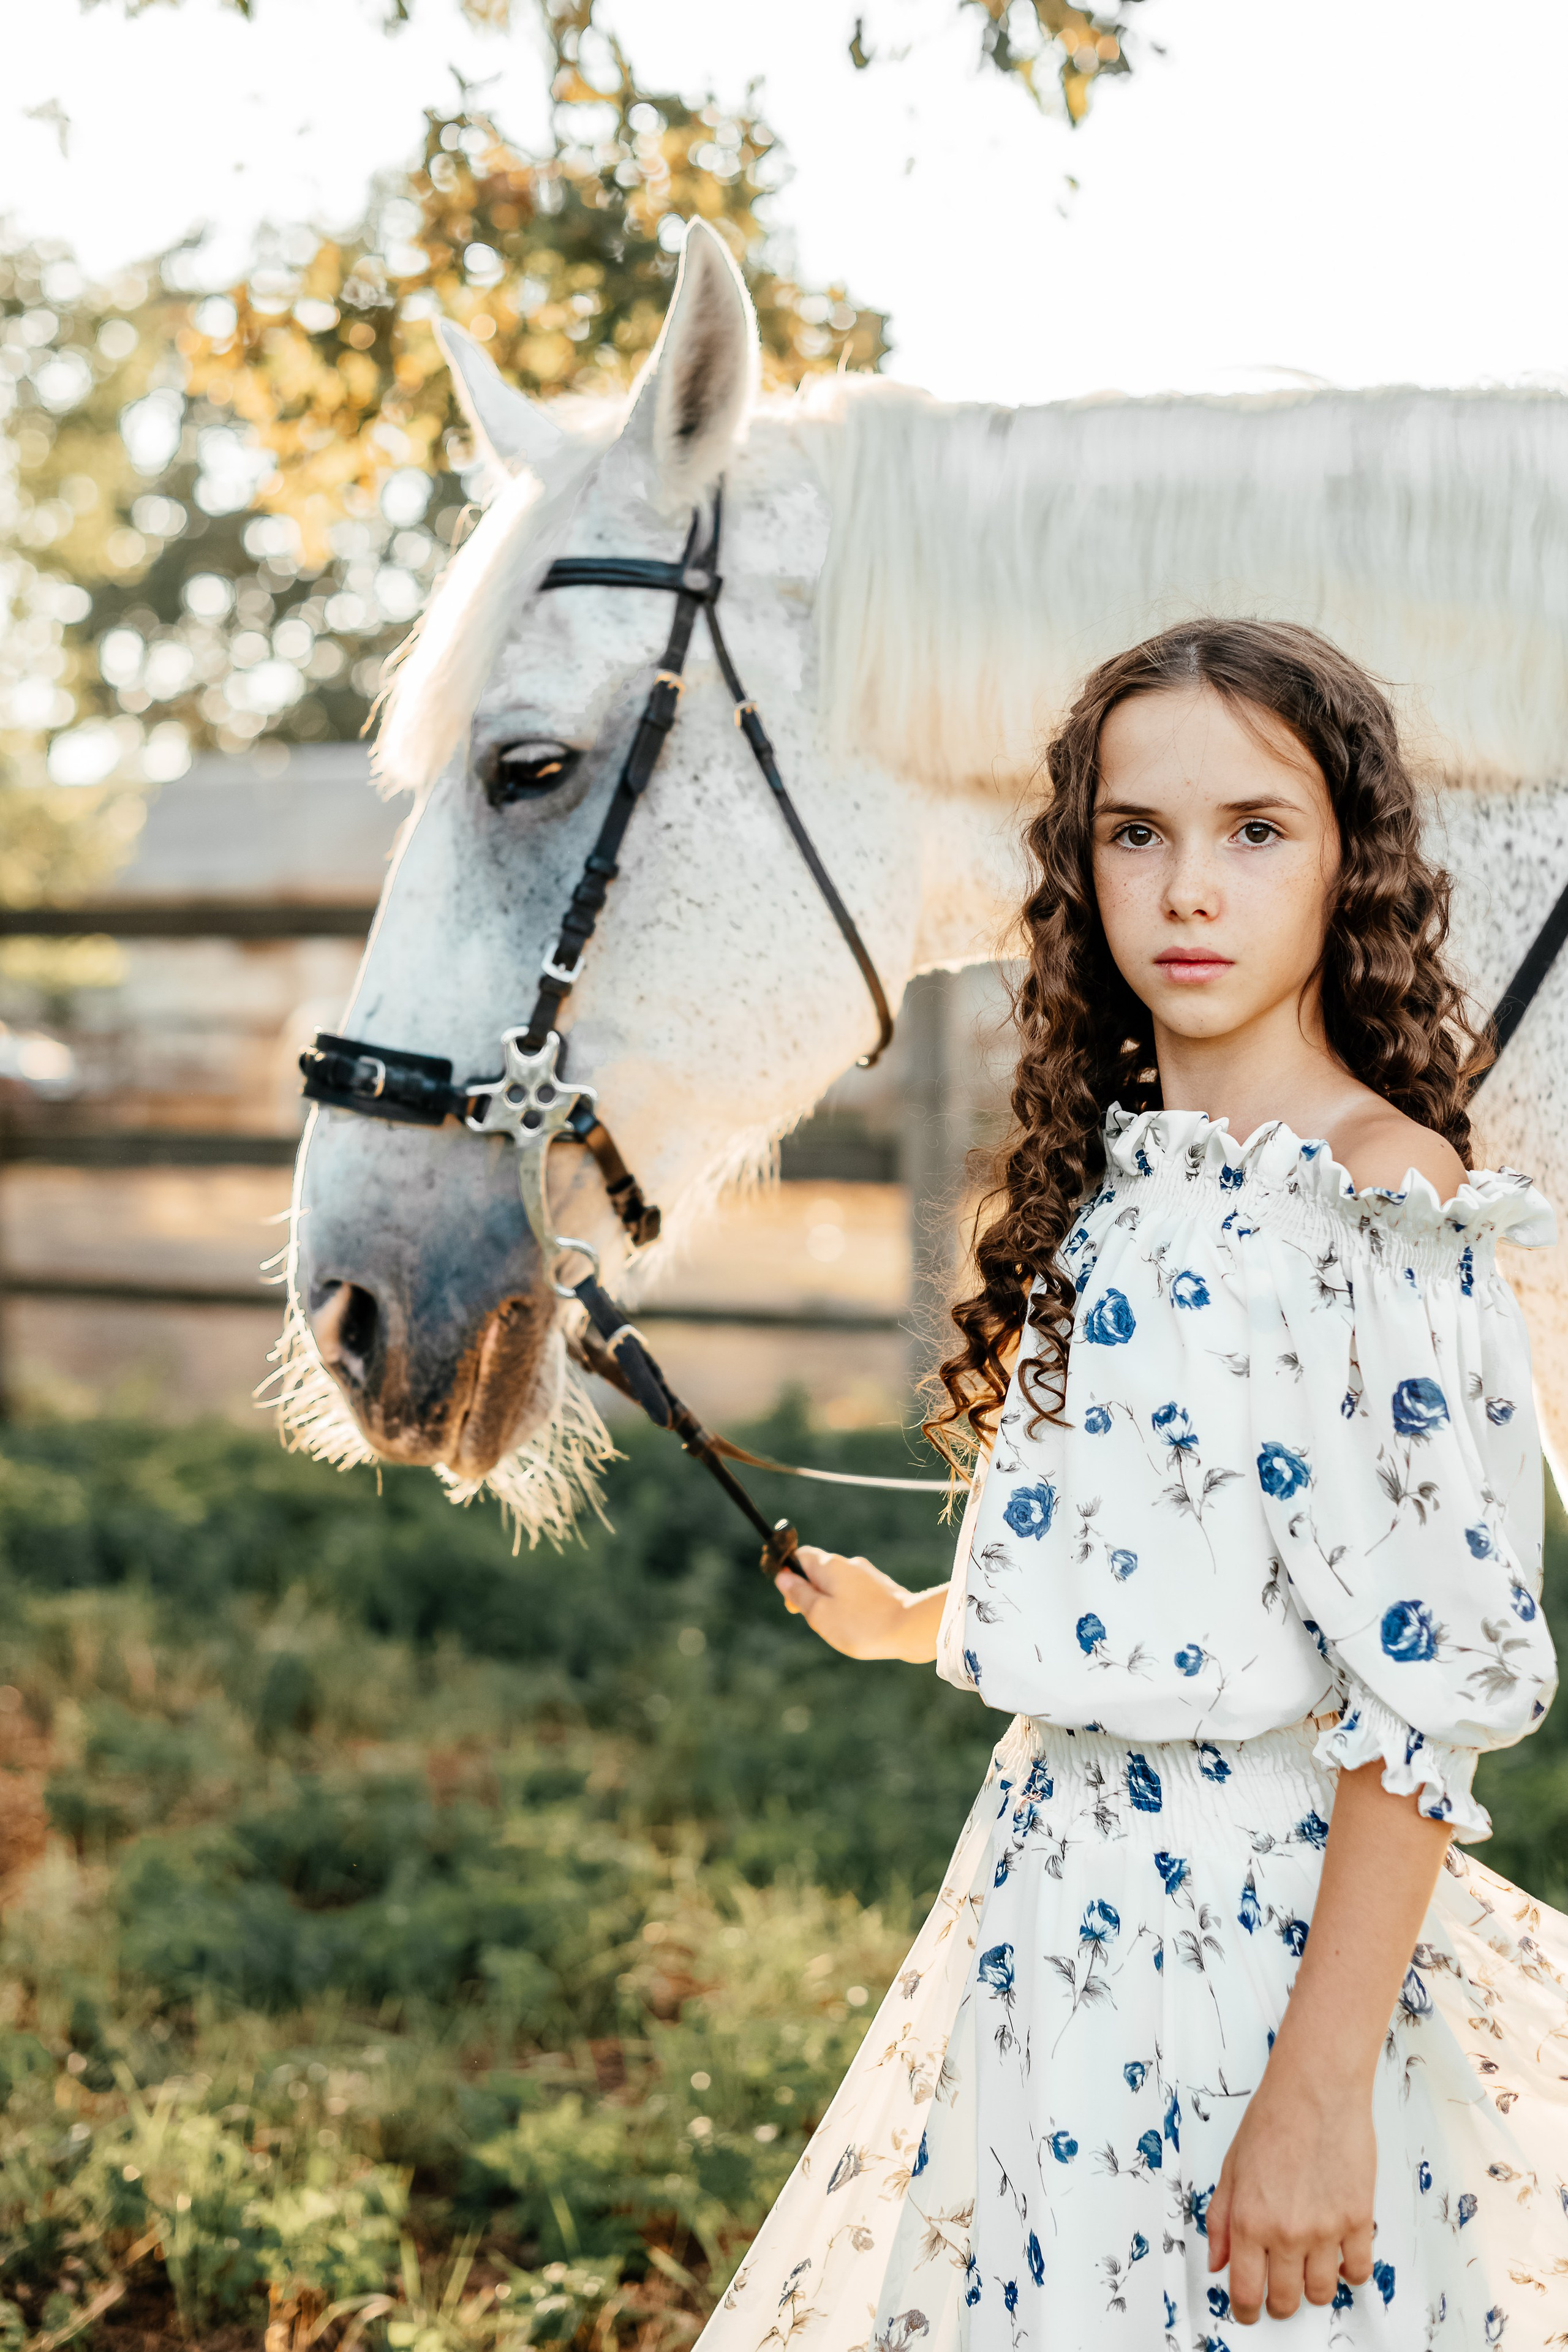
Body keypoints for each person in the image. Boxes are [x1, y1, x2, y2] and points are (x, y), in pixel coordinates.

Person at [699, 621, 1568, 2351]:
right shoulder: (1126, 1183)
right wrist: (918, 1620)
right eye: (1135, 832)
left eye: (1256, 830)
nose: (1188, 889)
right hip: (1049, 1926)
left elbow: (1423, 1690)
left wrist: (1316, 2095)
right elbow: (1178, 1566)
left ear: (1350, 863)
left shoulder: (1368, 1201)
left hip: (1253, 1960)